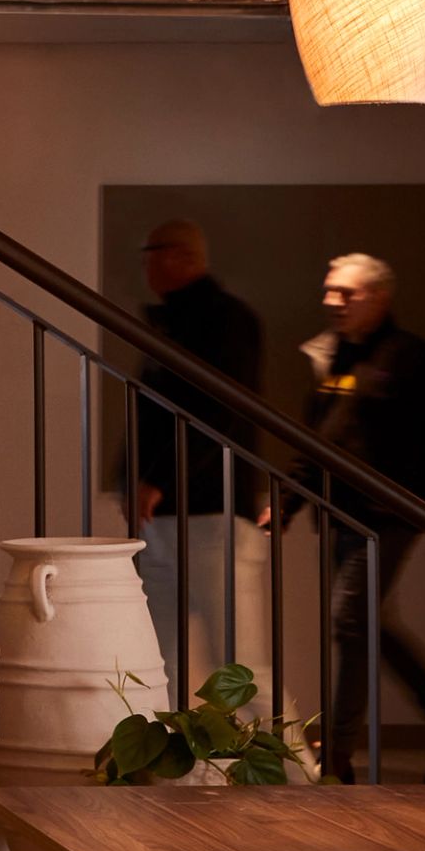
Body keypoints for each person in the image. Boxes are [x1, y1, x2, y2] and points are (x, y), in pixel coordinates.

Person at [298, 253, 425, 784]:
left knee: (349, 622)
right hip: (338, 512)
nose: (333, 302)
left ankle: (336, 752)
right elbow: (314, 439)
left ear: (378, 298)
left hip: (389, 514)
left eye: (346, 294)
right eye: (329, 291)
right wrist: (289, 502)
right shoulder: (332, 357)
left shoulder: (414, 357)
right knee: (365, 626)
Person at [128, 218, 271, 693]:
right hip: (170, 511)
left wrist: (159, 477)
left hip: (213, 510)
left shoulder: (222, 319)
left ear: (178, 256)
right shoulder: (176, 321)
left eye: (150, 253)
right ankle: (162, 756)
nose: (145, 265)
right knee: (154, 656)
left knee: (240, 662)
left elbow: (219, 411)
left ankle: (288, 767)